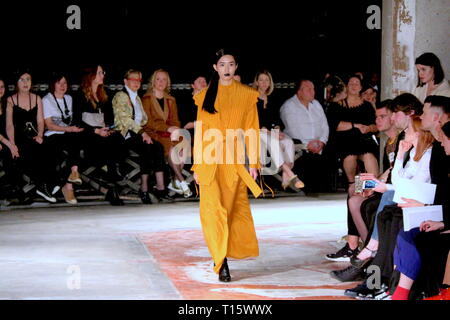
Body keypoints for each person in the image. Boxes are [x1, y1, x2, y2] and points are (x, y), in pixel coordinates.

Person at [192, 49, 262, 282]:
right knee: (213, 212)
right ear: (215, 68)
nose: (227, 69)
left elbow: (252, 130)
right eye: (222, 65)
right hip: (209, 161)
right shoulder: (204, 96)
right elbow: (200, 133)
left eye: (231, 64)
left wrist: (254, 162)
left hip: (232, 161)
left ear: (236, 67)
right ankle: (221, 260)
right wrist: (196, 166)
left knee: (230, 212)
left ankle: (221, 254)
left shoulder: (247, 95)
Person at [326, 100, 399, 262]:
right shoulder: (388, 142)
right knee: (354, 192)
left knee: (358, 199)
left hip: (391, 189)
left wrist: (374, 185)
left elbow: (392, 172)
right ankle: (359, 246)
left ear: (394, 117)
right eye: (376, 117)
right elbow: (387, 171)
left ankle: (367, 250)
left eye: (382, 116)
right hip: (378, 184)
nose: (377, 120)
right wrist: (369, 184)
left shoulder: (398, 140)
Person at [112, 69, 172, 203]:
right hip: (125, 134)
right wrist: (143, 132)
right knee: (147, 147)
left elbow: (143, 120)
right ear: (125, 81)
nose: (136, 82)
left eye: (138, 80)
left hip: (137, 133)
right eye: (133, 79)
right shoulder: (121, 96)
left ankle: (160, 187)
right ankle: (144, 187)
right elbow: (125, 120)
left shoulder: (137, 98)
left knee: (157, 146)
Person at [72, 65, 124, 206]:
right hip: (87, 135)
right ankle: (112, 176)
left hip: (102, 134)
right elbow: (76, 122)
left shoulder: (103, 94)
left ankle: (113, 176)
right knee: (108, 146)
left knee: (117, 138)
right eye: (100, 72)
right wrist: (96, 131)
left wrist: (109, 128)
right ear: (91, 75)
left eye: (103, 72)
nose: (103, 75)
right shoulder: (79, 96)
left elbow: (109, 119)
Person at [5, 70, 59, 203]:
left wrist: (40, 135)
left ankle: (49, 184)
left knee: (48, 146)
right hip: (19, 138)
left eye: (28, 79)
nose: (25, 82)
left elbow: (40, 121)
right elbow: (9, 125)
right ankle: (44, 185)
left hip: (34, 135)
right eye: (22, 79)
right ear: (16, 83)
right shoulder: (10, 100)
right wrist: (12, 144)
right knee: (31, 151)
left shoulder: (37, 98)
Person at [142, 69, 192, 198]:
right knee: (172, 148)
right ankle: (181, 181)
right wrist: (167, 129)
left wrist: (175, 128)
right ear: (153, 81)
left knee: (183, 145)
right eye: (158, 79)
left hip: (169, 132)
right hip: (154, 132)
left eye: (164, 79)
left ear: (167, 82)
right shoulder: (146, 98)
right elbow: (147, 122)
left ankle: (175, 182)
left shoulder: (171, 100)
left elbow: (175, 119)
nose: (161, 82)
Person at [253, 69, 303, 190]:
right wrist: (272, 133)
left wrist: (277, 130)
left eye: (267, 80)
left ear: (270, 83)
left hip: (270, 131)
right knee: (273, 141)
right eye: (261, 80)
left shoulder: (273, 99)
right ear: (257, 82)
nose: (264, 83)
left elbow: (276, 119)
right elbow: (255, 122)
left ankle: (285, 176)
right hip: (256, 131)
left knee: (288, 141)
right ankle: (290, 174)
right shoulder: (252, 98)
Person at [326, 75, 379, 190]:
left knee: (369, 156)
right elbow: (335, 125)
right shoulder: (337, 105)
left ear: (360, 87)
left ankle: (371, 188)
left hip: (364, 139)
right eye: (351, 83)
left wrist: (368, 128)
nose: (354, 86)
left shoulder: (367, 106)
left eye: (357, 83)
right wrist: (355, 125)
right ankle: (353, 185)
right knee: (350, 156)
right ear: (346, 87)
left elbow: (376, 126)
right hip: (345, 140)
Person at [279, 78, 330, 192]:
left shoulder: (316, 104)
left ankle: (358, 188)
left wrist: (321, 142)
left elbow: (325, 126)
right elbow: (292, 130)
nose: (312, 92)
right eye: (308, 89)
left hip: (319, 146)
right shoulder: (289, 106)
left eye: (313, 89)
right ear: (299, 92)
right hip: (300, 146)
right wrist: (309, 144)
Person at [42, 72, 84, 204]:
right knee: (71, 142)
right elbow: (49, 125)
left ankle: (73, 175)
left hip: (67, 134)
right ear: (53, 84)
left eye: (65, 83)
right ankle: (68, 184)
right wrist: (69, 129)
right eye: (59, 83)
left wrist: (73, 129)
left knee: (79, 139)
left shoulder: (69, 98)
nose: (62, 85)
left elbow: (70, 122)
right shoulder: (46, 100)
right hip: (52, 135)